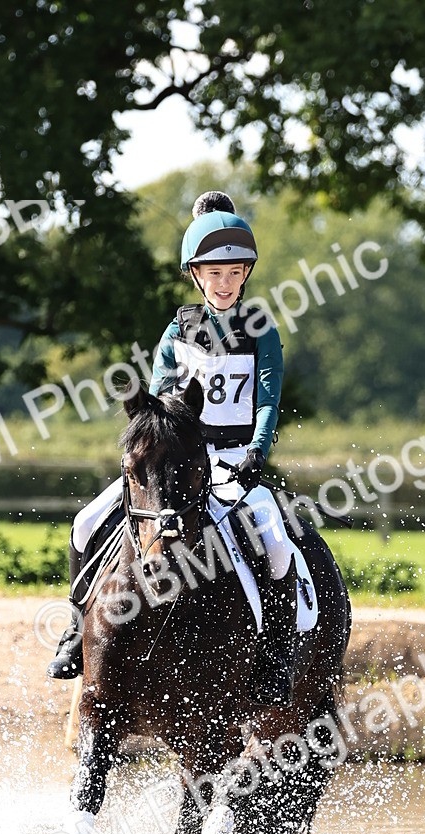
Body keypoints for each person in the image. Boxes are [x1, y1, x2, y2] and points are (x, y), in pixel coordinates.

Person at [47, 190, 299, 704]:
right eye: (214, 273)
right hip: (178, 463)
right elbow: (162, 403)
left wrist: (258, 450)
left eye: (234, 273)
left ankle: (273, 656)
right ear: (196, 275)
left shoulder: (261, 330)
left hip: (235, 463)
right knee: (84, 524)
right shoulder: (176, 330)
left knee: (275, 544)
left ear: (245, 274)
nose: (225, 283)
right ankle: (76, 631)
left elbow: (269, 399)